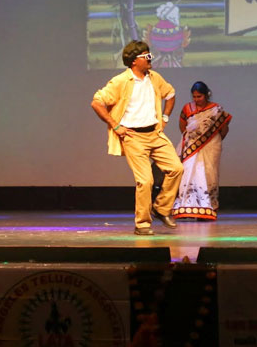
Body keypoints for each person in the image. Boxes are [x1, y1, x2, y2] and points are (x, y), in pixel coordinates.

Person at [91, 40, 184, 235]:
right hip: (134, 137)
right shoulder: (120, 81)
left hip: (155, 134)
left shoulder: (154, 78)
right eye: (146, 56)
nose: (151, 59)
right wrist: (115, 125)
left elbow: (170, 94)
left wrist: (165, 118)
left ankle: (161, 208)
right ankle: (142, 224)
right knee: (146, 180)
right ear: (134, 61)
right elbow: (97, 102)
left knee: (176, 168)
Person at [172, 81, 232, 221]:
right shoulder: (187, 108)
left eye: (199, 96)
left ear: (206, 95)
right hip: (192, 147)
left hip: (211, 146)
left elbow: (224, 129)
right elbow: (182, 126)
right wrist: (192, 141)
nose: (196, 99)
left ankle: (208, 206)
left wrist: (213, 141)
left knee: (209, 174)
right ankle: (187, 206)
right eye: (194, 96)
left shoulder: (216, 110)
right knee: (189, 173)